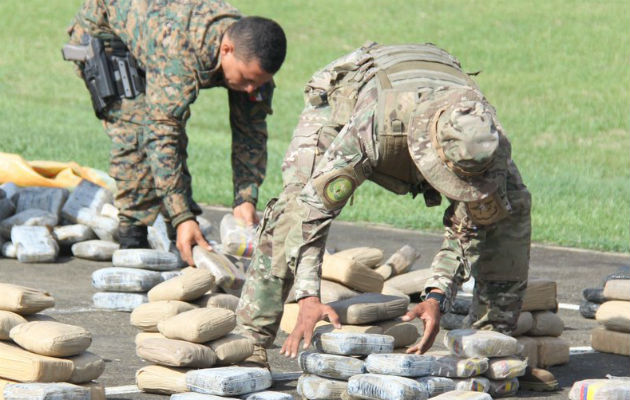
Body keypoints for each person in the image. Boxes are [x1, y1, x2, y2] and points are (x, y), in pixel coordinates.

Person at [235, 42, 556, 391]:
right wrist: (308, 296)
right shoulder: (373, 131)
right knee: (293, 208)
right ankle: (252, 341)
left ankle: (491, 352)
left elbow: (469, 225)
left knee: (509, 211)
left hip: (430, 90)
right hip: (345, 101)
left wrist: (435, 296)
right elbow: (313, 213)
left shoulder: (485, 144)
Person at [64, 0, 287, 264]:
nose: (251, 89)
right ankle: (133, 237)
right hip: (105, 35)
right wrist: (182, 215)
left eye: (258, 81)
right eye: (247, 79)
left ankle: (179, 231)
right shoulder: (181, 49)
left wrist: (245, 198)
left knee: (167, 127)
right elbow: (161, 134)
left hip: (156, 34)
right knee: (136, 133)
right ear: (226, 50)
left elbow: (251, 135)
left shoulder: (250, 57)